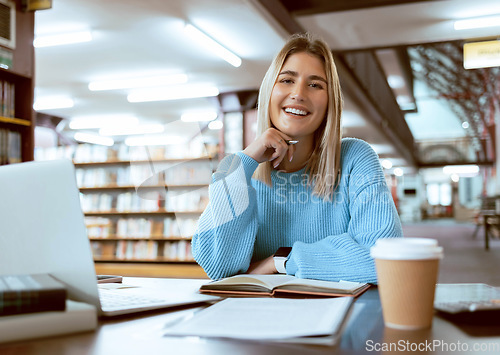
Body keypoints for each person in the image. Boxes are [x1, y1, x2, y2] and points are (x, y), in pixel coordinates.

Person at [191, 33, 402, 283]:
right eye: (287, 80)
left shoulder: (355, 158)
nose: (298, 94)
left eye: (315, 85)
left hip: (340, 316)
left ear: (329, 102)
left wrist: (279, 261)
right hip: (256, 316)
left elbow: (384, 259)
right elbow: (218, 268)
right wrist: (245, 161)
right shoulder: (241, 174)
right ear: (269, 91)